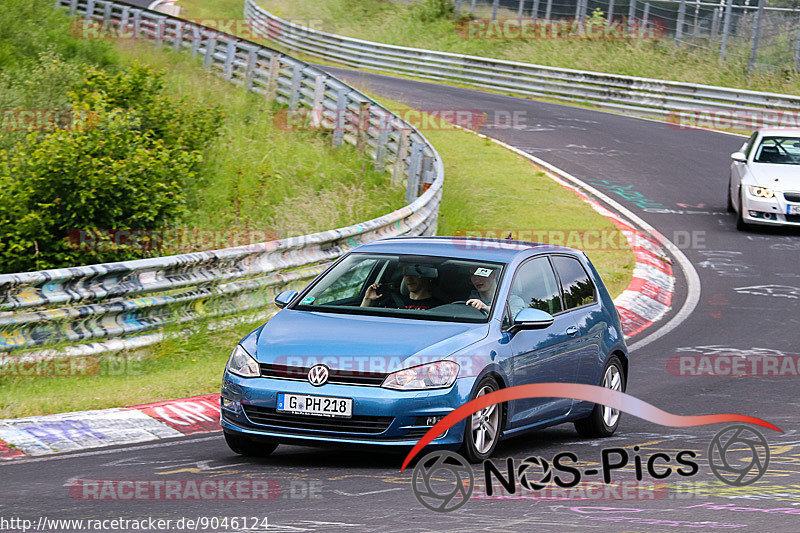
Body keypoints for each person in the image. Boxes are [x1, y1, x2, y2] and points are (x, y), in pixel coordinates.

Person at [361, 264, 443, 310]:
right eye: (406, 274)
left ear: (427, 276)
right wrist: (367, 299)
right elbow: (361, 320)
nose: (409, 278)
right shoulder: (391, 301)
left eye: (414, 274)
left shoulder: (439, 307)